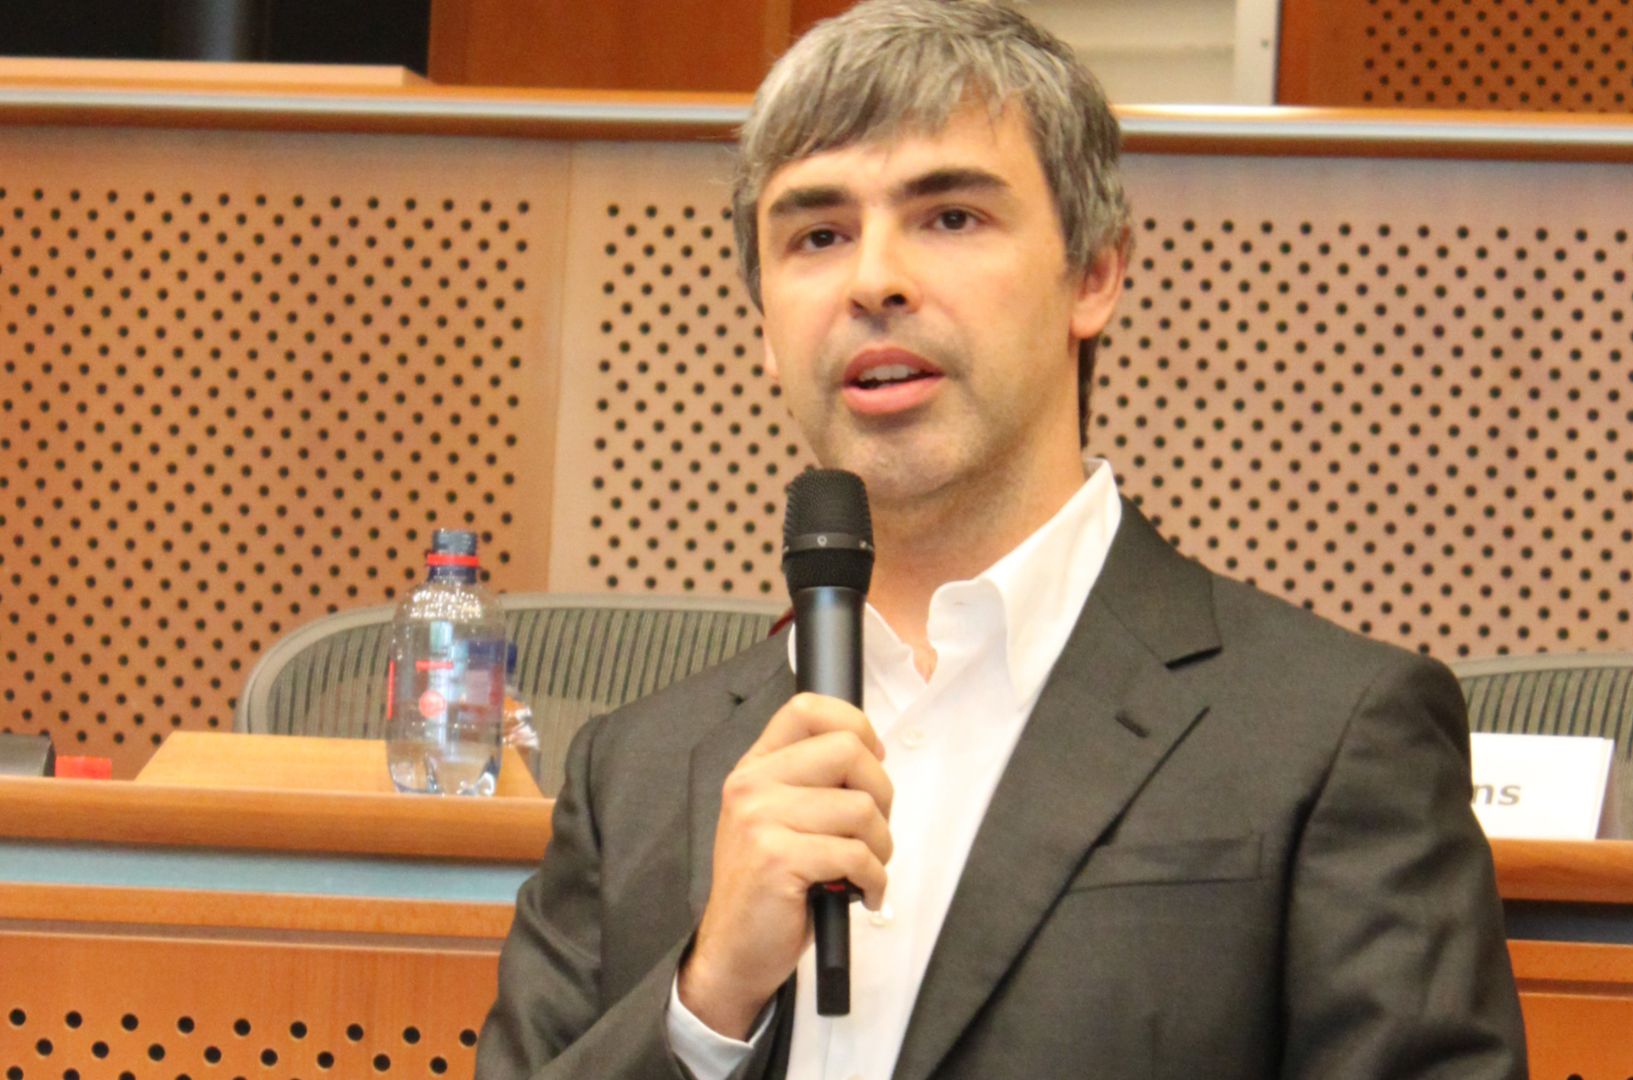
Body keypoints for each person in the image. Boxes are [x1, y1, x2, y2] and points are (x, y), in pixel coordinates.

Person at [477, 2, 1528, 1076]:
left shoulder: (1331, 732)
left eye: (951, 218)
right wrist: (707, 1002)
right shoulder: (636, 771)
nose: (873, 280)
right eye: (817, 235)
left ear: (1095, 274)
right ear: (764, 328)